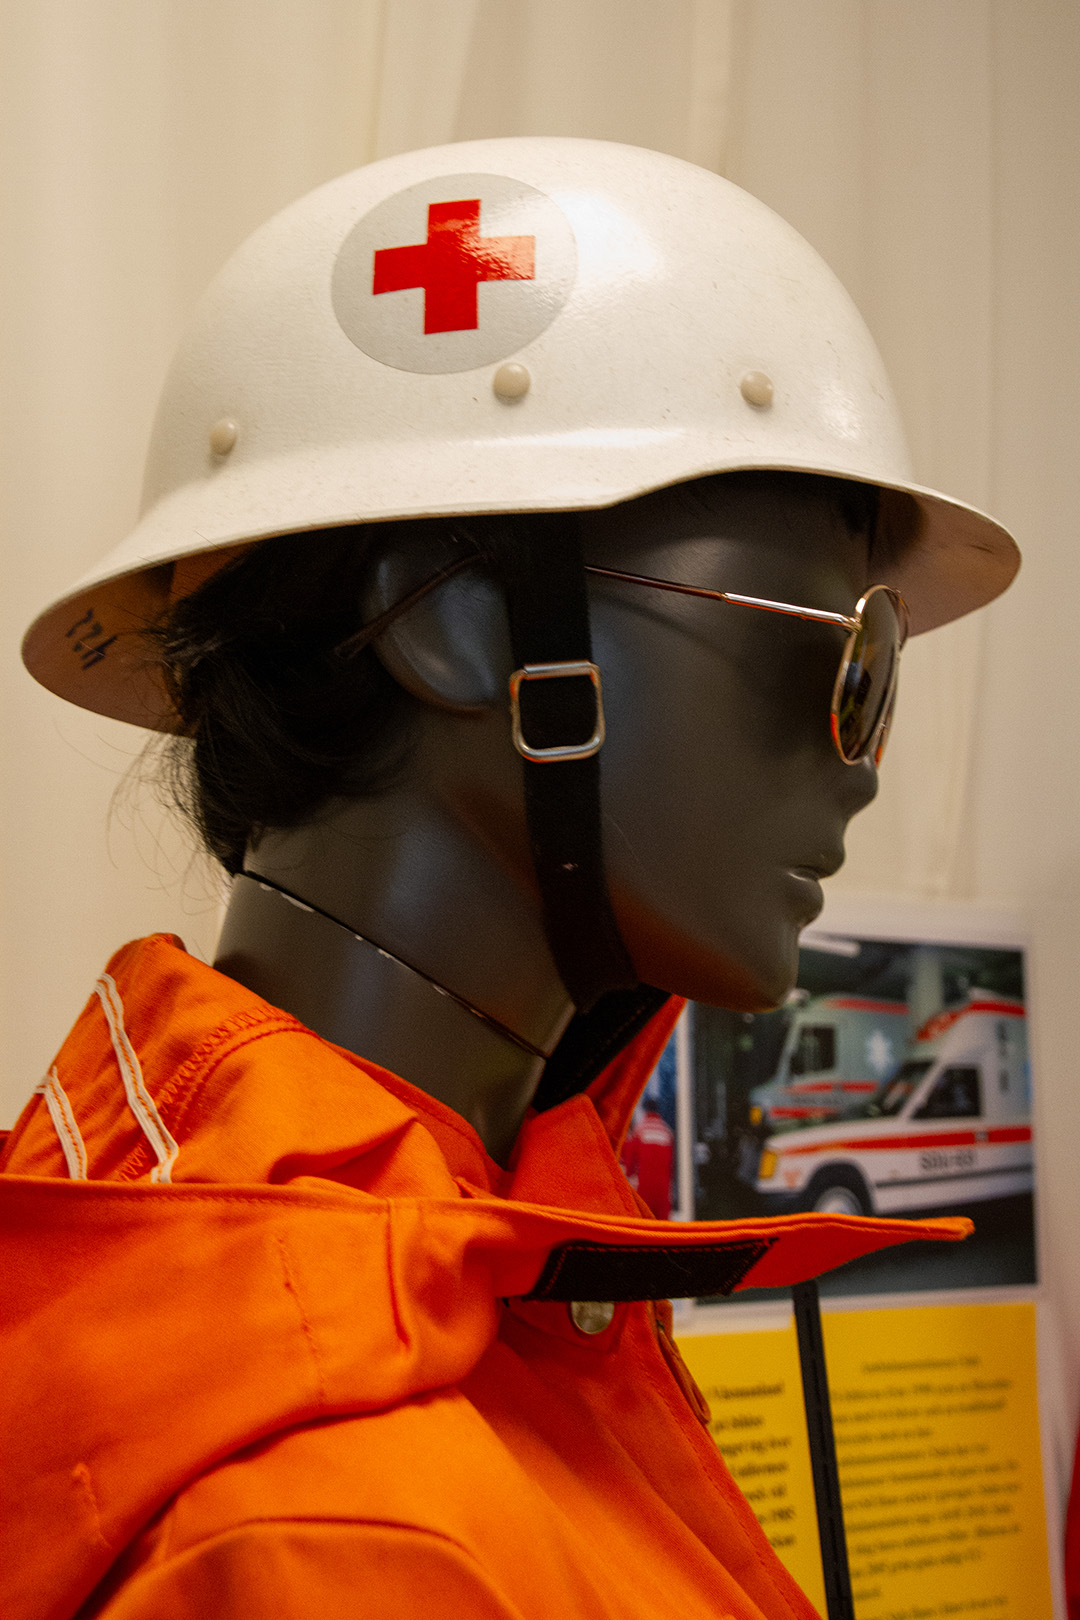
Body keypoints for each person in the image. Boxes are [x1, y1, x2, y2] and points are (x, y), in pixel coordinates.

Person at [0, 138, 1018, 1620]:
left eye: (881, 676)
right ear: (460, 630)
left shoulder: (448, 1288)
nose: (861, 761)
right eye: (836, 654)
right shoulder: (346, 1541)